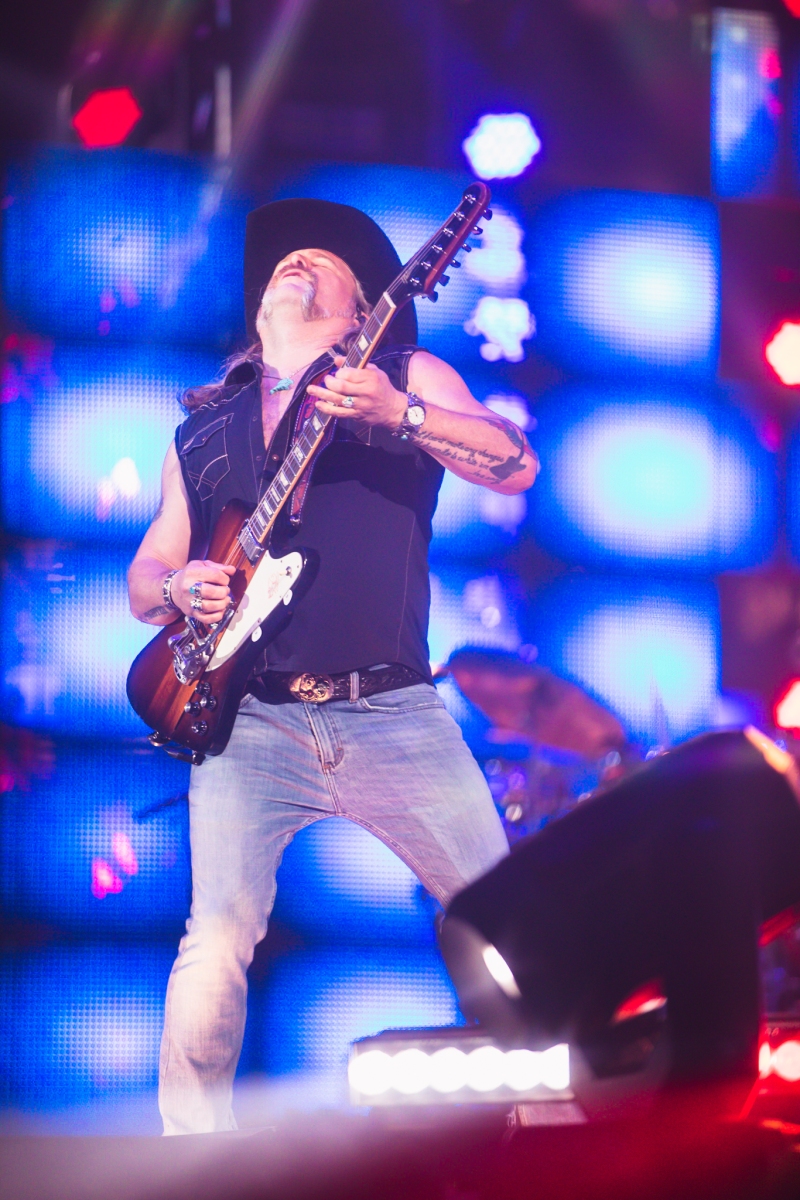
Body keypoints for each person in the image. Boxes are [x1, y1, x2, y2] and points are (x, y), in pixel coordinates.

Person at [127, 198, 538, 1134]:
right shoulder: (203, 429)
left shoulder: (402, 372)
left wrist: (405, 414)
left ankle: (554, 1146)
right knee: (215, 938)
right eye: (286, 259)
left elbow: (515, 466)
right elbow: (147, 573)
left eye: (322, 261)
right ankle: (190, 1163)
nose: (297, 262)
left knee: (508, 918)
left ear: (363, 309)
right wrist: (179, 584)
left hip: (394, 713)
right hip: (253, 721)